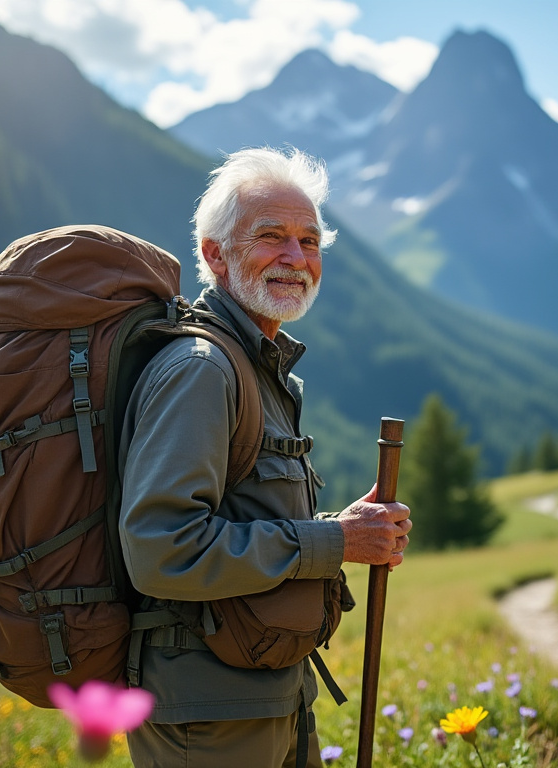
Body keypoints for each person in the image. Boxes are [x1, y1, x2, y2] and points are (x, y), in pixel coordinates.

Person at [117, 146, 412, 767]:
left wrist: (341, 531)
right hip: (208, 717)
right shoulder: (201, 372)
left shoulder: (255, 367)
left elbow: (242, 521)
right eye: (271, 237)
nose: (296, 259)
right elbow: (161, 549)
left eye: (310, 242)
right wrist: (334, 546)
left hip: (265, 696)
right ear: (214, 254)